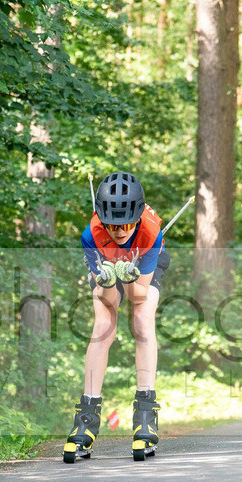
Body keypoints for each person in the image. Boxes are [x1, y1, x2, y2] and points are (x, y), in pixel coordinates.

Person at [64, 172, 171, 463]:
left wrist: (130, 277)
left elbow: (138, 296)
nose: (120, 231)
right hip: (107, 264)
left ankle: (146, 414)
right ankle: (86, 418)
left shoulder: (150, 233)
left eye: (126, 224)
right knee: (102, 326)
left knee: (142, 320)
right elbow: (109, 301)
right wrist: (108, 281)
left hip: (142, 265)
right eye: (112, 224)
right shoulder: (92, 236)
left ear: (136, 218)